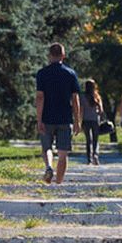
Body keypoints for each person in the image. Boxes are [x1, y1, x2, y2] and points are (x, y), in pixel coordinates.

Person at [36, 43, 81, 184]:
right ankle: (59, 183)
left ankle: (49, 166)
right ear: (63, 56)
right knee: (63, 153)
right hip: (65, 118)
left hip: (47, 117)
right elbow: (75, 99)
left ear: (49, 56)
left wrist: (39, 119)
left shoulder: (42, 73)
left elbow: (40, 97)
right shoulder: (70, 74)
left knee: (47, 148)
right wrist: (77, 120)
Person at [80, 79, 103, 165]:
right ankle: (95, 155)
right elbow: (101, 110)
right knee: (95, 139)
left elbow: (81, 110)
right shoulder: (97, 96)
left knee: (88, 140)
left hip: (86, 120)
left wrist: (79, 121)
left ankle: (89, 159)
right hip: (95, 120)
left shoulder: (82, 96)